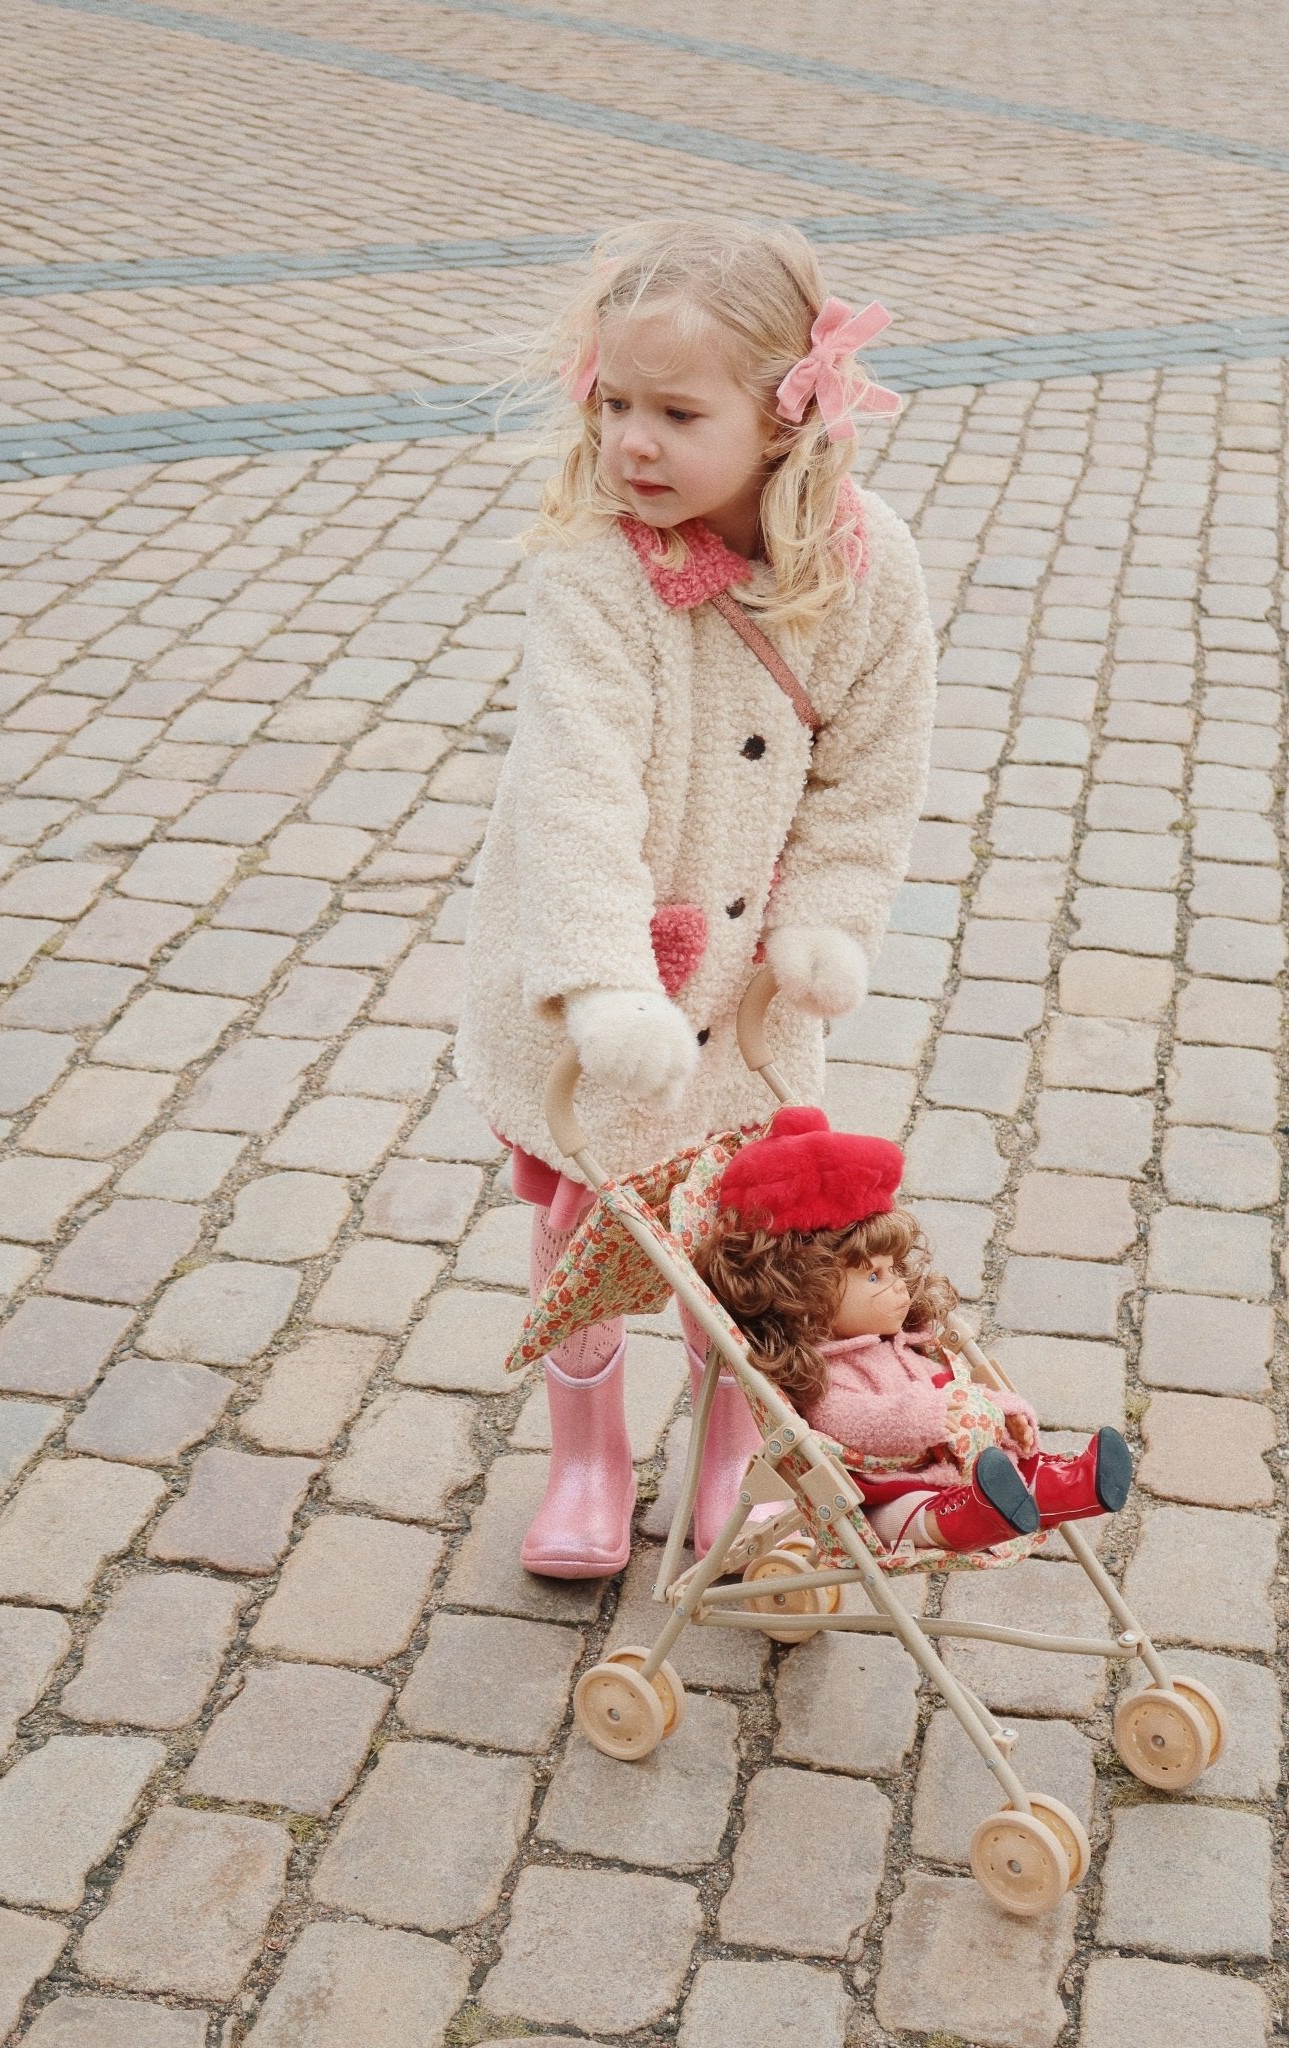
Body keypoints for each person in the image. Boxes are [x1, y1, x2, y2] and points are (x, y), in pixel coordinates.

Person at [456, 218, 938, 1577]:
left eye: (676, 412)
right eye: (613, 404)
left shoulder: (864, 568)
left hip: (750, 992)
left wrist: (828, 923)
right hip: (605, 966)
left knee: (746, 1234)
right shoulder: (594, 566)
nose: (632, 445)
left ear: (784, 420)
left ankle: (725, 1460)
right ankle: (589, 1463)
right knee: (588, 1216)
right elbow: (576, 791)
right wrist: (605, 982)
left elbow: (871, 773)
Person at [693, 1107, 1133, 1552]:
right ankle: (974, 1519)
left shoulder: (906, 1344)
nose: (898, 1284)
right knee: (907, 1511)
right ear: (806, 1293)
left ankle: (1072, 1486)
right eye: (873, 1277)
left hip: (959, 1461)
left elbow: (953, 1388)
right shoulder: (823, 1369)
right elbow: (848, 1422)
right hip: (889, 1486)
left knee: (1020, 1469)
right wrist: (931, 1416)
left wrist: (1004, 1410)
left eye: (892, 1270)